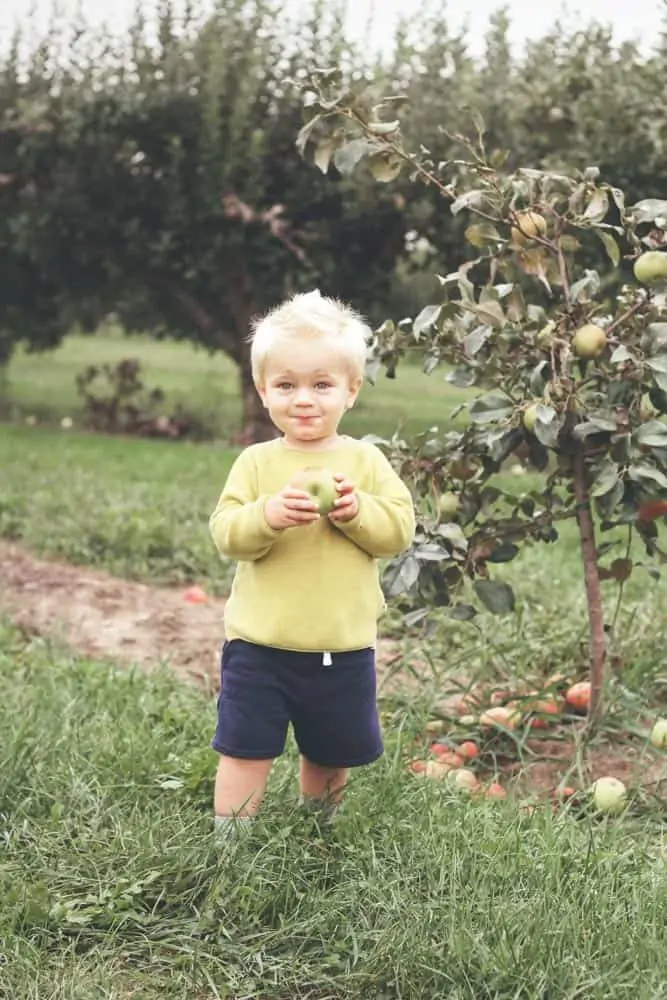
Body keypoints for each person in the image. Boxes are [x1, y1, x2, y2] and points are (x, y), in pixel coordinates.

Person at [208, 289, 415, 840]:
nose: (304, 399)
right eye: (286, 385)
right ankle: (229, 844)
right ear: (263, 391)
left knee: (329, 750)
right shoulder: (257, 463)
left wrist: (355, 511)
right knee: (244, 749)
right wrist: (269, 515)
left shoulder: (365, 462)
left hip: (340, 646)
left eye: (321, 384)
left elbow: (398, 530)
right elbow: (227, 532)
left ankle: (316, 832)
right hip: (259, 645)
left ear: (351, 390)